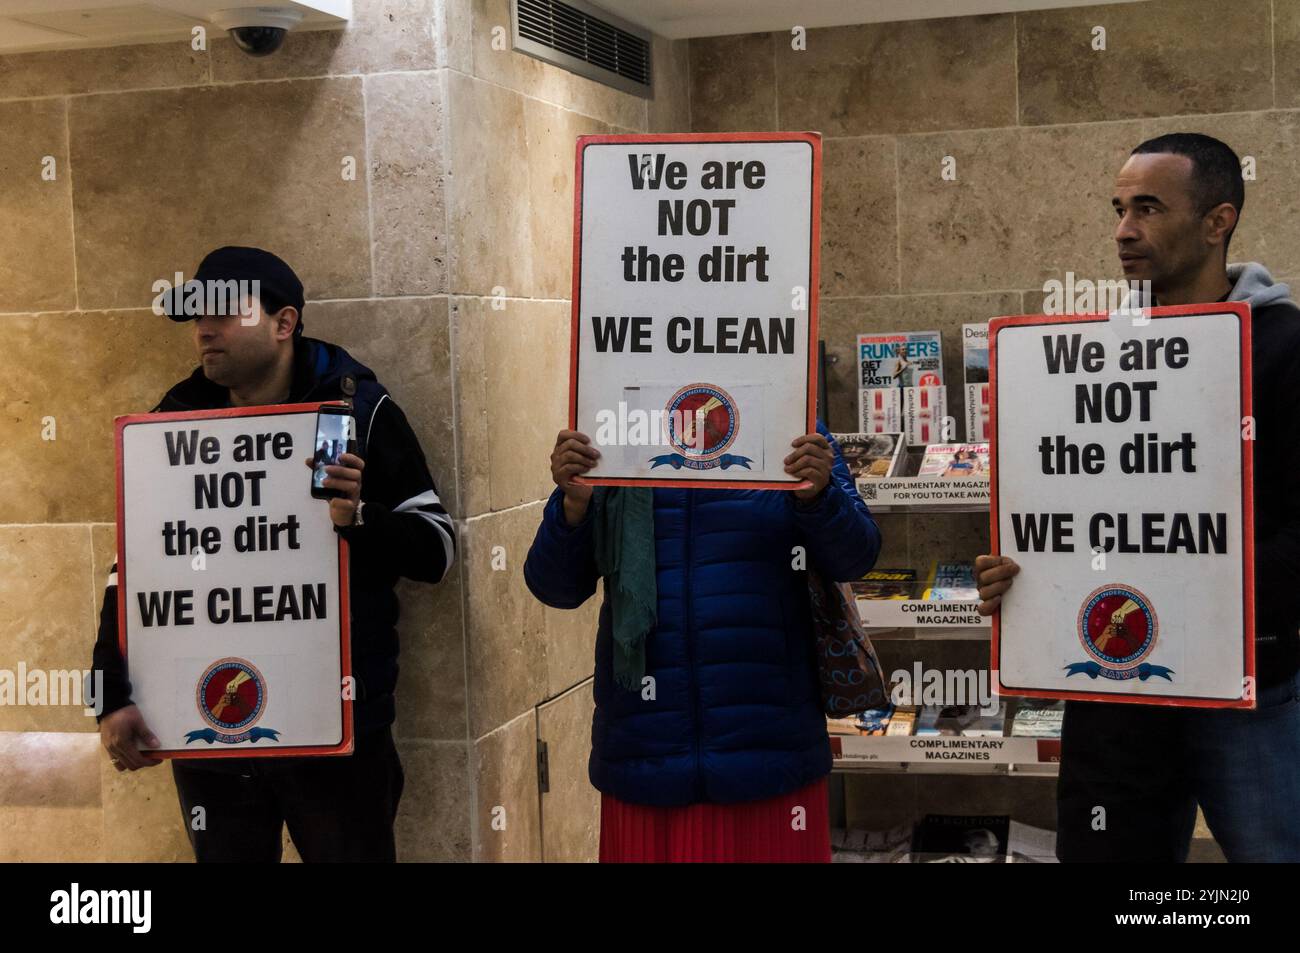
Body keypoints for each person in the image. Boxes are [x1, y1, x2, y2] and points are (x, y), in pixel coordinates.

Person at [976, 133, 1300, 862]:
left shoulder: (1284, 347)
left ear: (1218, 221)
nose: (1123, 230)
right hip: (1115, 683)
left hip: (1249, 685)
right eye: (1119, 209)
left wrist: (1190, 589)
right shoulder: (1092, 355)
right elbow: (1066, 511)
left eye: (1148, 208)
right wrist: (1024, 576)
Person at [91, 246, 457, 862]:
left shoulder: (358, 411)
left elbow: (438, 551)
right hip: (212, 728)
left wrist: (359, 519)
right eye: (197, 315)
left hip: (338, 731)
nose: (204, 329)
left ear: (284, 323)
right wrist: (110, 690)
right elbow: (132, 569)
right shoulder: (174, 420)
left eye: (225, 313)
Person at [523, 423, 881, 862]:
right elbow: (557, 588)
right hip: (646, 755)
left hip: (769, 754)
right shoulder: (617, 429)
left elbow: (856, 556)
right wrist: (572, 507)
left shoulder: (789, 419)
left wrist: (819, 495)